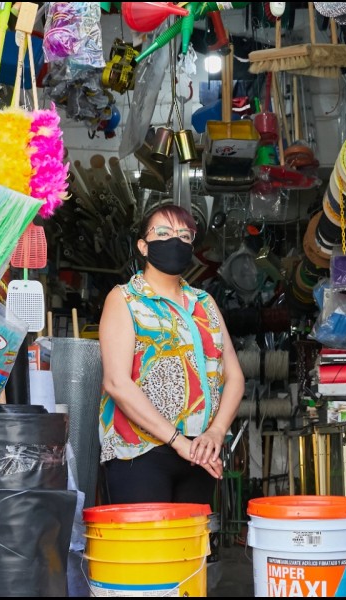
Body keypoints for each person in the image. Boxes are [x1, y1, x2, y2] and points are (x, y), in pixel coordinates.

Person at [98, 204, 244, 505]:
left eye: (184, 235)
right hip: (140, 452)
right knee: (149, 536)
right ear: (143, 246)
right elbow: (116, 382)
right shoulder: (125, 299)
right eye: (163, 233)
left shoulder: (204, 303)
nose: (175, 240)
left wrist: (216, 432)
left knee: (191, 536)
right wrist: (177, 441)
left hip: (200, 451)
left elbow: (234, 376)